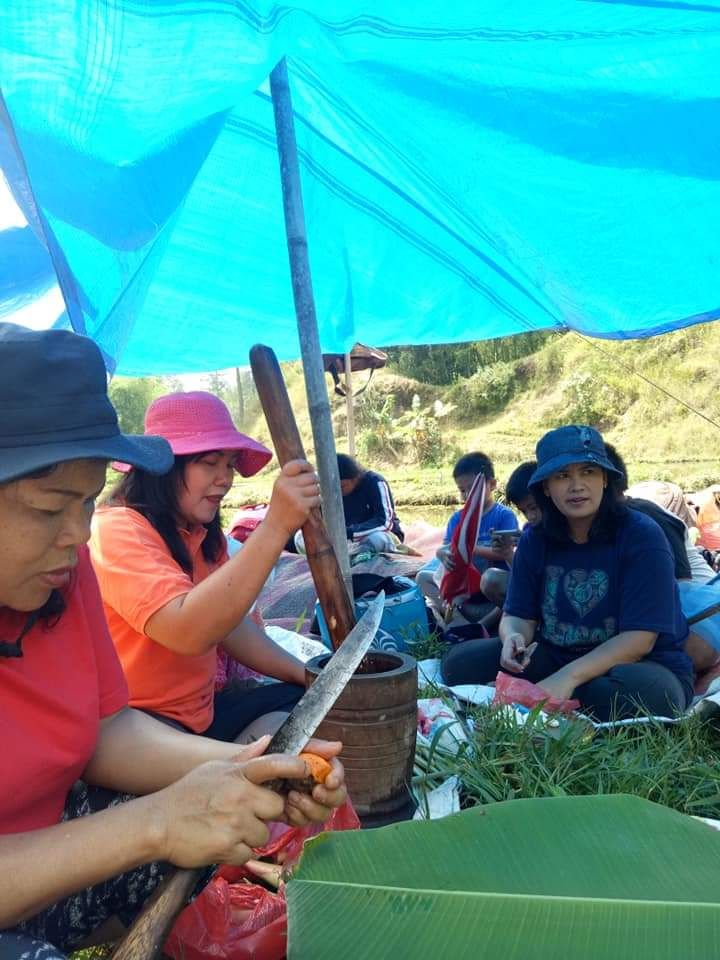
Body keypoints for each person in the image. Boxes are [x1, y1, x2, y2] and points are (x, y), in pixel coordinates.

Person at [0, 324, 346, 960]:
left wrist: (243, 769)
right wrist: (157, 821)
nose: (77, 534)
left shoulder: (63, 574)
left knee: (222, 858)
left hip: (52, 836)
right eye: (51, 508)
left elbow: (107, 732)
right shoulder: (118, 534)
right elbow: (188, 626)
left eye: (84, 502)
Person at [90, 391, 313, 743]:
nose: (225, 478)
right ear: (161, 469)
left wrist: (307, 674)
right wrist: (276, 526)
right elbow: (188, 631)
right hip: (139, 726)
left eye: (229, 464)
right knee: (279, 751)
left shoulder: (201, 534)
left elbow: (229, 627)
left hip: (200, 716)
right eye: (210, 462)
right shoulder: (116, 530)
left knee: (314, 702)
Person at [442, 425, 694, 721]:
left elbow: (640, 640)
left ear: (605, 479)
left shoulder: (641, 535)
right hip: (556, 654)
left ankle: (546, 695)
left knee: (653, 694)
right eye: (562, 476)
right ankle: (554, 695)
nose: (576, 486)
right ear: (546, 487)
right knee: (458, 664)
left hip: (637, 663)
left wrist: (568, 678)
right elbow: (519, 614)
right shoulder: (536, 538)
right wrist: (513, 638)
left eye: (588, 472)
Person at [416, 452, 518, 622]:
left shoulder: (504, 516)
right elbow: (446, 547)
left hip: (492, 595)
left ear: (492, 484)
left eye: (473, 489)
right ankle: (458, 621)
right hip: (465, 593)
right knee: (423, 578)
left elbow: (505, 552)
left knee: (496, 579)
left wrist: (471, 548)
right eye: (462, 490)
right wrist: (441, 553)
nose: (467, 495)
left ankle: (484, 624)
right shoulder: (457, 518)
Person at [478, 461, 542, 629]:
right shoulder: (530, 531)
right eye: (524, 511)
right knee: (491, 579)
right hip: (535, 596)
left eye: (534, 507)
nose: (530, 516)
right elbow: (524, 578)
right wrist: (507, 553)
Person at [336, 453, 403, 553]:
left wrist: (349, 532)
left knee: (377, 539)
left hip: (381, 535)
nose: (338, 491)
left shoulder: (375, 482)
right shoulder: (333, 493)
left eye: (342, 486)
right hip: (347, 540)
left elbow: (385, 523)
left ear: (355, 478)